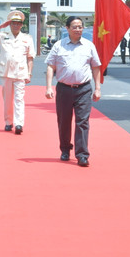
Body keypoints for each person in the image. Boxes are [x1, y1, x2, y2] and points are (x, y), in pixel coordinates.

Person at [45, 16, 102, 167]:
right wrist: (49, 87)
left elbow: (96, 67)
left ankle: (82, 154)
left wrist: (97, 88)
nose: (78, 29)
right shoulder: (59, 45)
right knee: (64, 121)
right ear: (67, 28)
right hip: (64, 88)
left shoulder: (89, 46)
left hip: (83, 89)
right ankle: (65, 149)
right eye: (75, 27)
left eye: (80, 27)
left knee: (82, 121)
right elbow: (51, 66)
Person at [0, 10, 35, 134]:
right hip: (6, 72)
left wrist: (29, 73)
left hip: (20, 72)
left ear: (22, 25)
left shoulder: (27, 38)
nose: (16, 25)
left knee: (19, 99)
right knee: (7, 99)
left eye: (18, 23)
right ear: (9, 24)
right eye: (13, 23)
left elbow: (30, 57)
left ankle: (19, 124)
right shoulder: (3, 35)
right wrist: (0, 26)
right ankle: (8, 122)